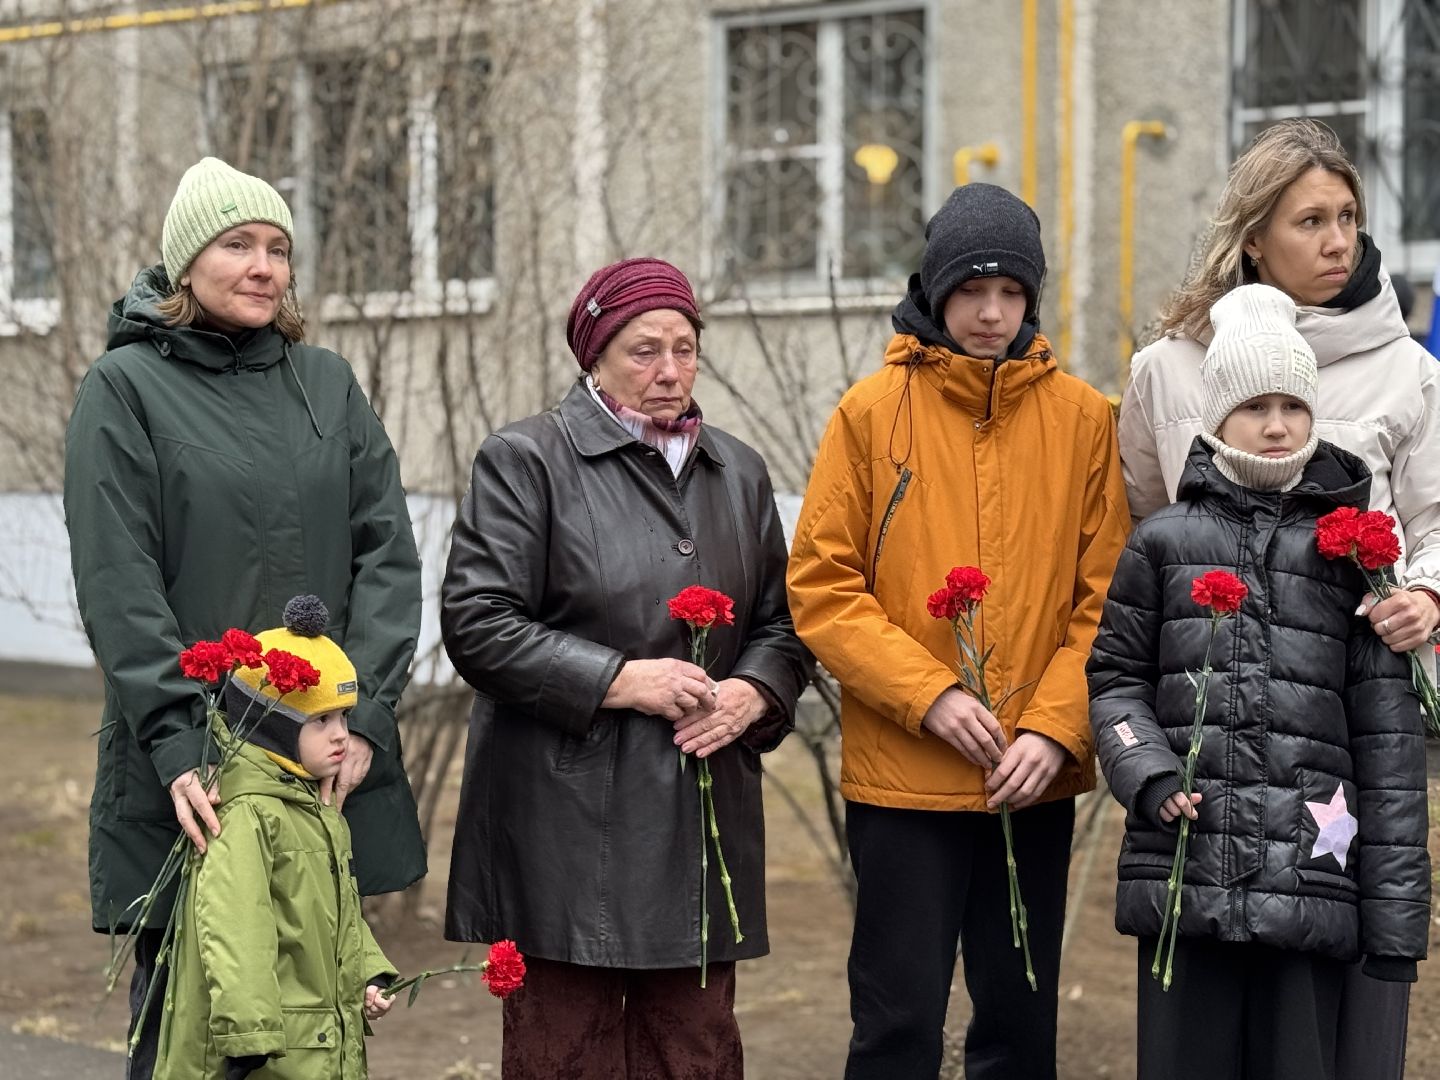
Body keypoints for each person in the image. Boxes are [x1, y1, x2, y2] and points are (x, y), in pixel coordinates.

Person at [63, 157, 425, 1080]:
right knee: (198, 1039)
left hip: (320, 772)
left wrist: (365, 717)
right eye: (237, 245)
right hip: (199, 778)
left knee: (314, 1042)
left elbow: (388, 554)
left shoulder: (327, 384)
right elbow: (118, 578)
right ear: (187, 262)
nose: (264, 267)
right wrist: (178, 740)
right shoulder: (125, 388)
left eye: (278, 248)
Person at [786, 183, 1131, 1079]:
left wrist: (1055, 729)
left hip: (1031, 779)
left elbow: (1107, 601)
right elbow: (823, 586)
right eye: (972, 290)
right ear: (935, 290)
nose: (990, 313)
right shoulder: (870, 413)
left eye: (1011, 292)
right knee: (896, 1024)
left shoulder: (1084, 422)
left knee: (1019, 1026)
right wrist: (930, 695)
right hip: (904, 778)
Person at [1119, 118, 1440, 1078]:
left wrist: (1427, 594)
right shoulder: (1166, 368)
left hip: (1339, 745)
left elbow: (1436, 521)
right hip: (1208, 766)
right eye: (1310, 221)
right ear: (1254, 236)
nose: (1338, 240)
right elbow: (1148, 527)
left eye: (1348, 216)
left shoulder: (1408, 370)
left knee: (1335, 1039)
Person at [439, 257, 811, 1079]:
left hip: (699, 822)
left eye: (685, 348)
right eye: (644, 351)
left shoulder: (739, 471)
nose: (669, 370)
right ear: (596, 356)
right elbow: (478, 622)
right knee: (563, 1055)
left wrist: (754, 691)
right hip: (564, 833)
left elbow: (783, 625)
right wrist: (620, 679)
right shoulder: (526, 460)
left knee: (697, 1053)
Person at [154, 596, 397, 1080]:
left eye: (344, 717)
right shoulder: (248, 811)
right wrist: (250, 1038)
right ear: (275, 729)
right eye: (320, 720)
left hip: (309, 1041)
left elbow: (337, 911)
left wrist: (367, 971)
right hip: (264, 1053)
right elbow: (235, 926)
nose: (341, 736)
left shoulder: (314, 808)